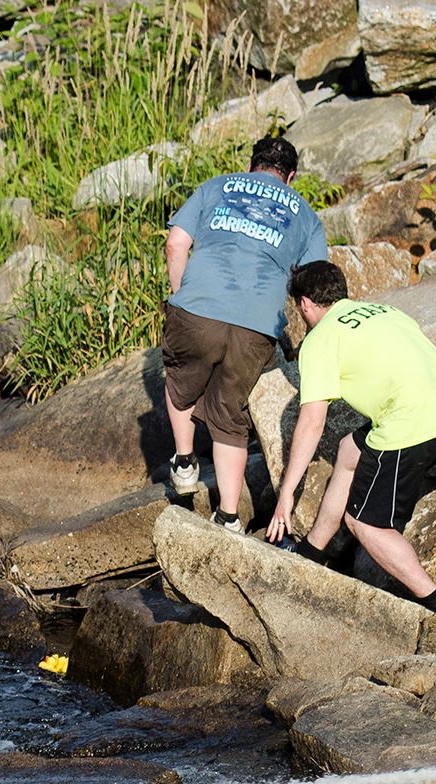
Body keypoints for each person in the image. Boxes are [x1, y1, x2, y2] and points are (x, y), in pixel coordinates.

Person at [263, 260, 436, 620]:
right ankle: (313, 553)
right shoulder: (387, 313)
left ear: (305, 304)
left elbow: (311, 422)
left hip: (411, 430)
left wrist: (286, 496)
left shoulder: (320, 341)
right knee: (349, 450)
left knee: (365, 523)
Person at [162, 135, 329, 532]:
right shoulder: (306, 214)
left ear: (251, 165)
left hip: (198, 305)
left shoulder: (217, 186)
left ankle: (185, 463)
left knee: (181, 380)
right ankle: (229, 517)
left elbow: (175, 245)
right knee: (230, 414)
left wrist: (180, 296)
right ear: (290, 176)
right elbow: (316, 282)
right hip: (257, 324)